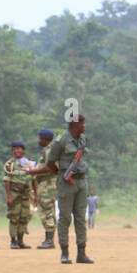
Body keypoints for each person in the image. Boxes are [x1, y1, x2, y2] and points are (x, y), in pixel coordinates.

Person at [42, 113, 93, 264]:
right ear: (74, 125)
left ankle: (81, 253)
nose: (84, 127)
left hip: (82, 182)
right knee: (64, 218)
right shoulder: (61, 141)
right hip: (66, 183)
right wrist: (62, 175)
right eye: (82, 124)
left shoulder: (82, 139)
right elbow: (50, 163)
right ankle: (65, 253)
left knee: (81, 218)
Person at [3, 141, 34, 248]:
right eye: (14, 149)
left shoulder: (29, 163)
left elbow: (33, 179)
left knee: (24, 217)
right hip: (15, 195)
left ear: (23, 150)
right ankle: (13, 241)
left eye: (19, 148)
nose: (17, 151)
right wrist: (9, 196)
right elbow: (7, 181)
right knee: (14, 218)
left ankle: (21, 241)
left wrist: (36, 195)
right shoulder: (9, 164)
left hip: (26, 195)